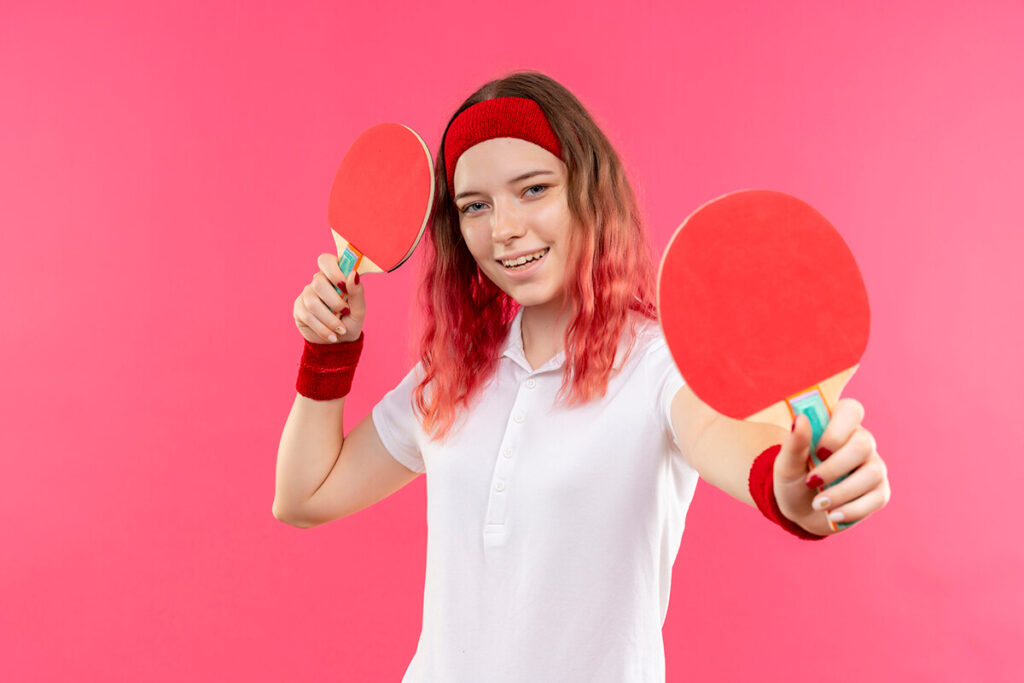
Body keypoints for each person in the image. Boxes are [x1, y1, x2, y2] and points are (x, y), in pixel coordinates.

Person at [274, 71, 892, 682]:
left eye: (534, 189)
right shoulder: (451, 376)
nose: (504, 228)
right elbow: (304, 497)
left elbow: (747, 460)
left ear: (589, 192)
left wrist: (803, 492)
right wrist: (331, 349)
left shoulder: (655, 367)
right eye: (475, 206)